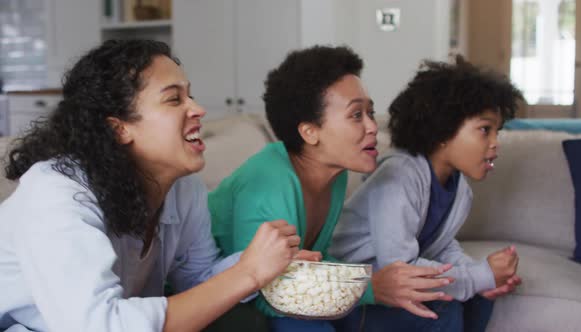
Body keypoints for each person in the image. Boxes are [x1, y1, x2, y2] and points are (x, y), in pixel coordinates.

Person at [0, 39, 301, 332]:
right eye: (174, 99)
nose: (198, 109)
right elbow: (99, 326)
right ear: (119, 128)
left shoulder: (183, 188)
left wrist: (264, 262)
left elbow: (199, 282)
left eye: (191, 96)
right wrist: (248, 272)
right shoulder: (56, 192)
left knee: (243, 323)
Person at [208, 45, 455, 331]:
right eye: (356, 115)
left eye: (370, 112)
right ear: (310, 132)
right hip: (238, 303)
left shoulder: (332, 174)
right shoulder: (270, 182)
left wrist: (384, 282)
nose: (373, 127)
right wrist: (371, 286)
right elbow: (269, 291)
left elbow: (317, 261)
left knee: (432, 307)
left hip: (291, 293)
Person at [330, 56, 524, 331]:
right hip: (357, 295)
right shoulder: (399, 175)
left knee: (479, 299)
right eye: (485, 130)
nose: (495, 144)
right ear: (443, 130)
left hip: (393, 288)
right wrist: (479, 276)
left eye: (497, 131)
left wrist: (484, 277)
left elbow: (441, 245)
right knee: (443, 306)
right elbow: (401, 270)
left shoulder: (460, 190)